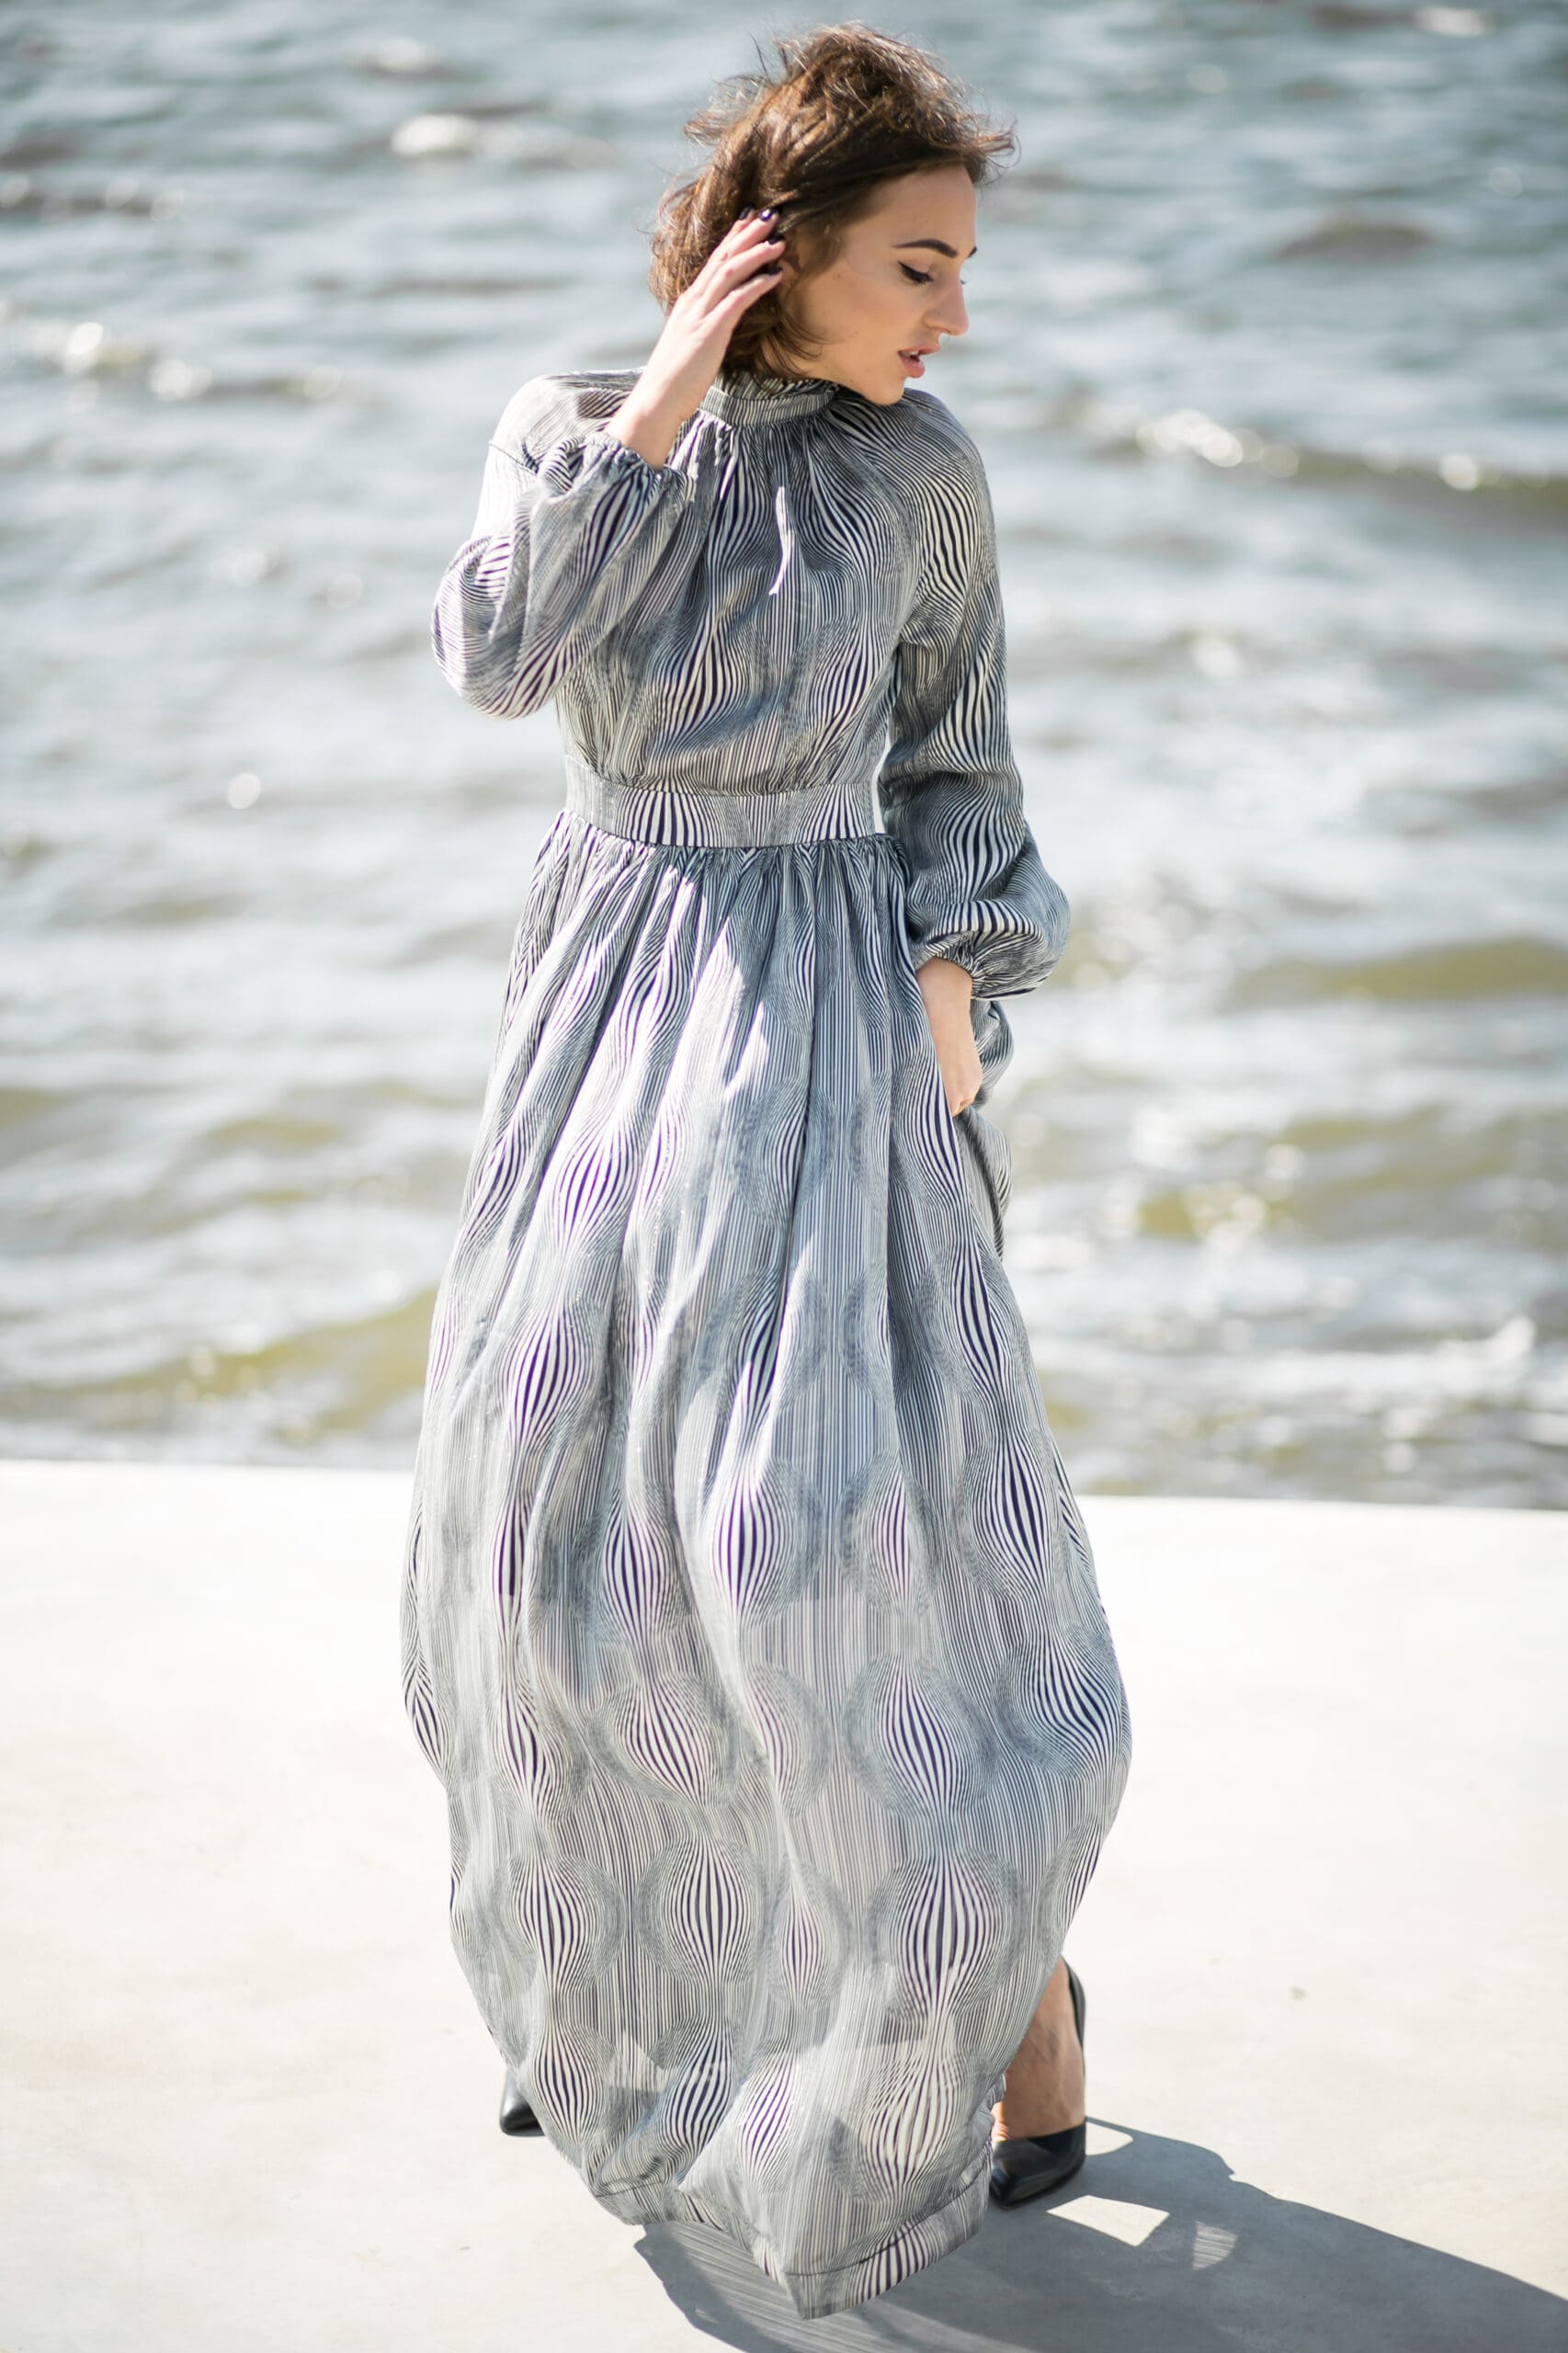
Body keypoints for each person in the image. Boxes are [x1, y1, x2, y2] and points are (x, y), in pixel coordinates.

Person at [399, 23, 1132, 2324]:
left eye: (966, 266)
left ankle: (1016, 1998)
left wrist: (962, 975)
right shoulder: (580, 432)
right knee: (558, 1542)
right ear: (773, 247)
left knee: (815, 1551)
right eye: (918, 262)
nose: (954, 313)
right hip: (611, 1007)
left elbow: (961, 757)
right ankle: (608, 2006)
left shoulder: (923, 476)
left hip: (829, 1021)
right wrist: (656, 398)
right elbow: (502, 655)